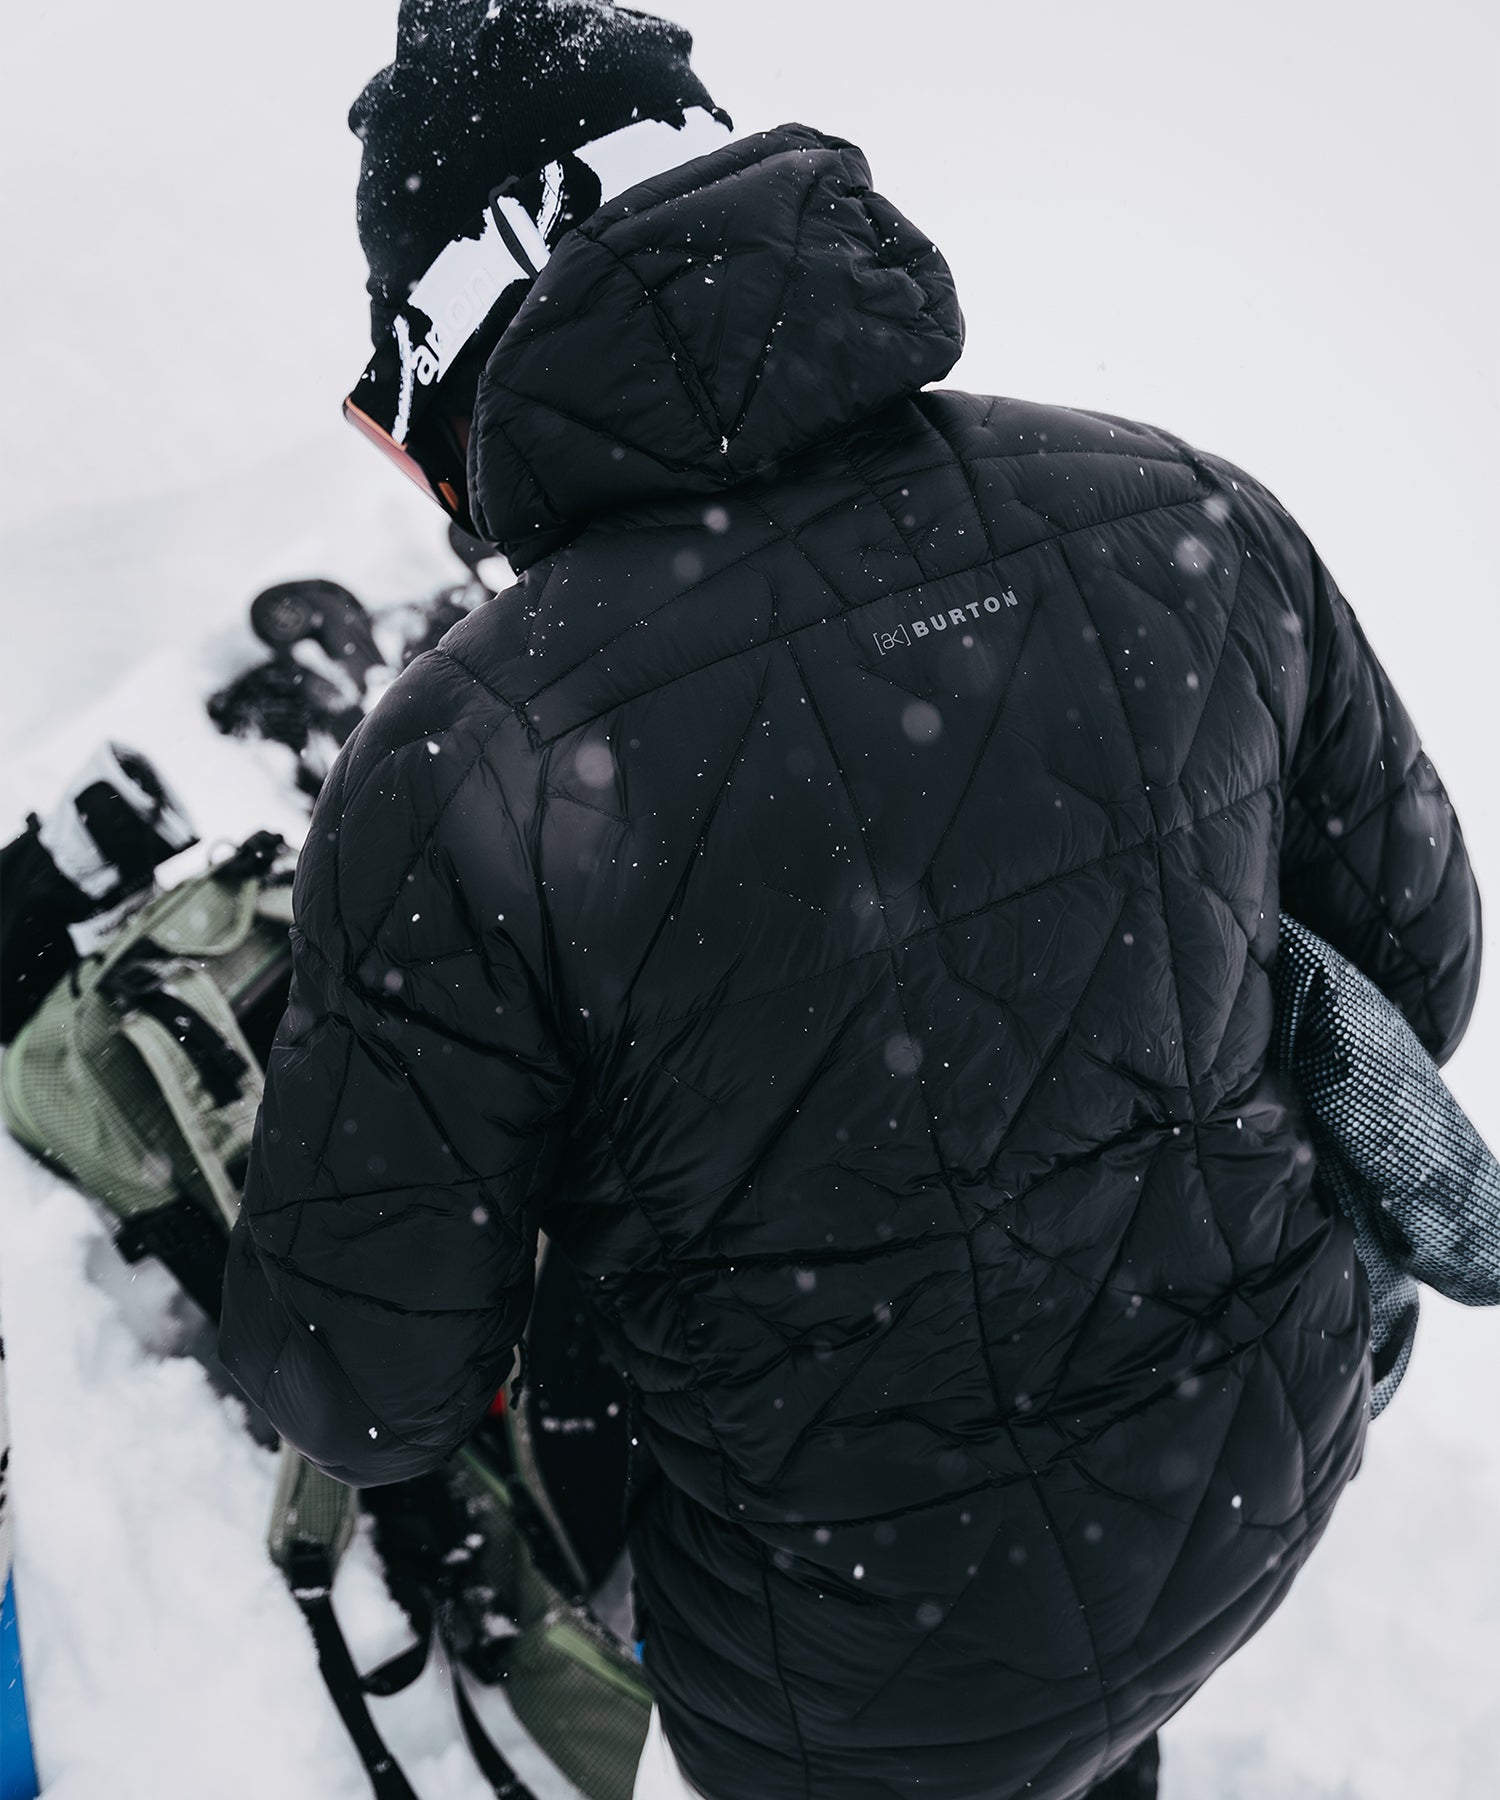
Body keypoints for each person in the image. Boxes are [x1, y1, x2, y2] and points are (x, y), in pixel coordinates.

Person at [217, 5, 1482, 1799]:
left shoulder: (467, 754)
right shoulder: (1181, 504)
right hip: (1254, 1474)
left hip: (848, 1665)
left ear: (454, 336)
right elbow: (1421, 967)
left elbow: (358, 1387)